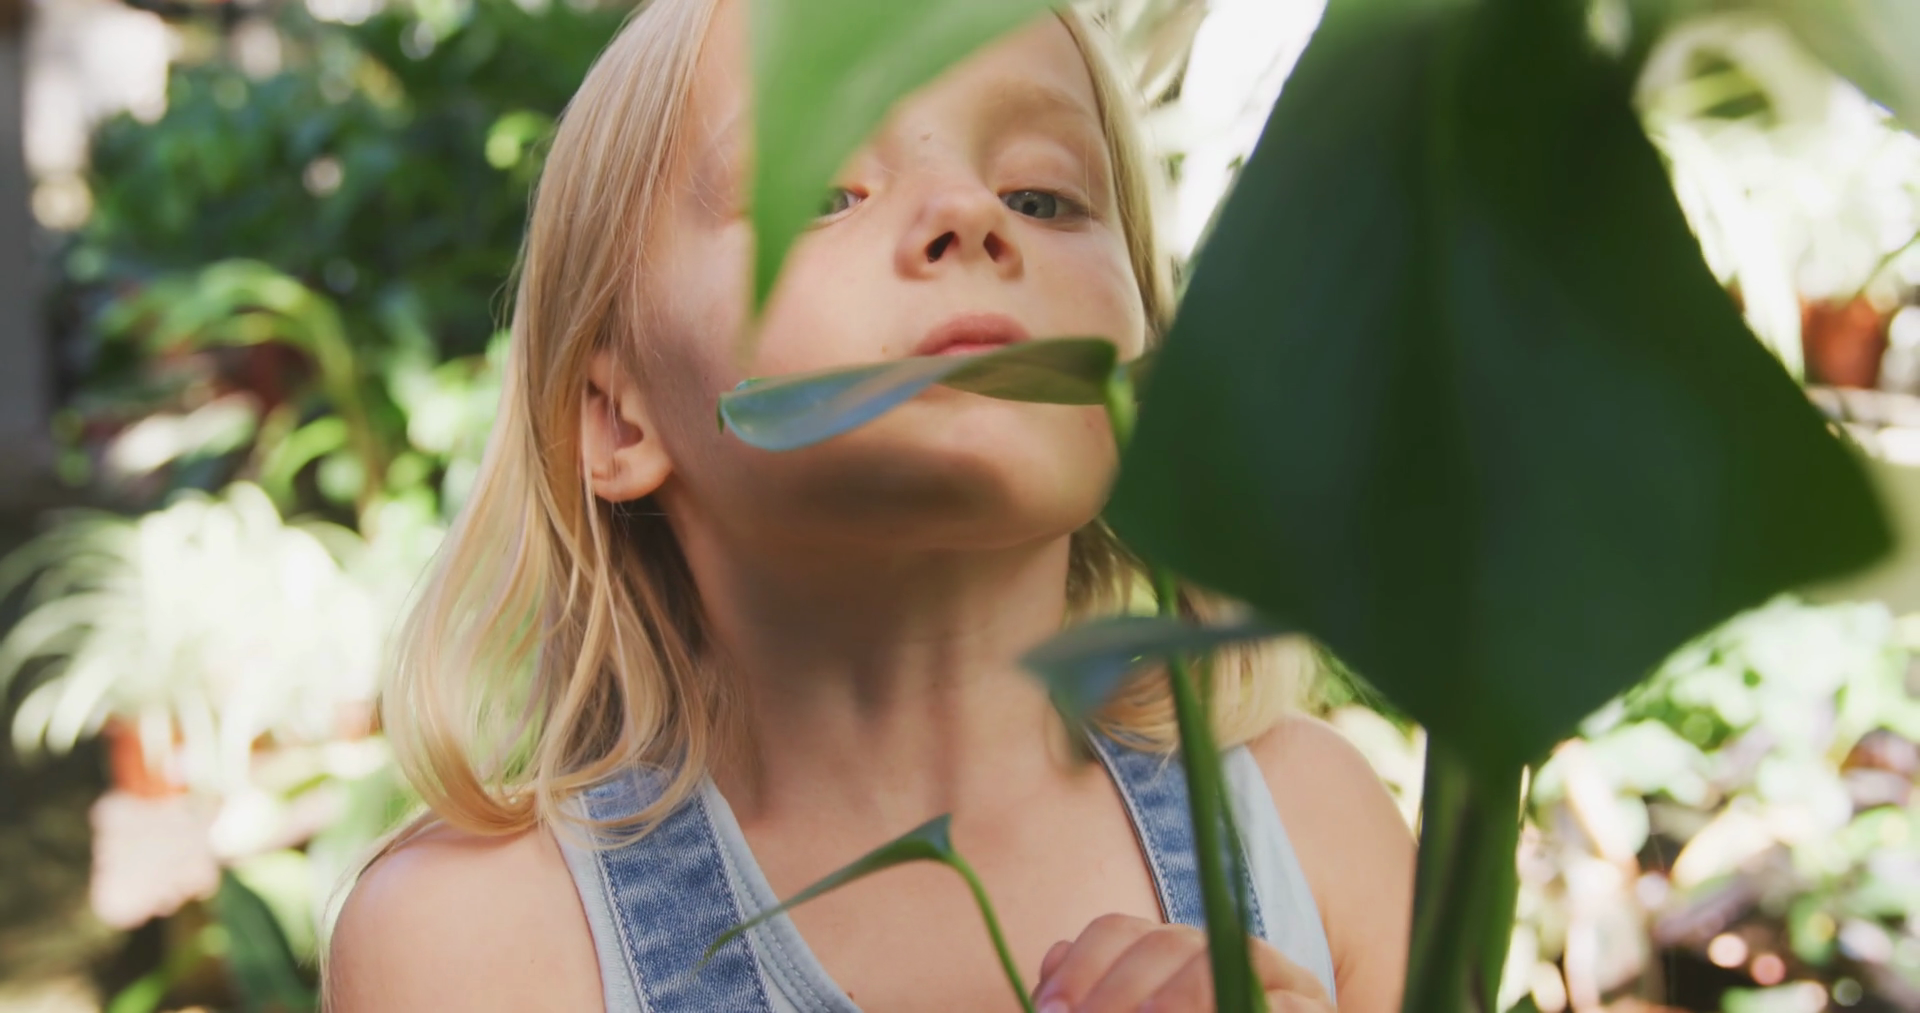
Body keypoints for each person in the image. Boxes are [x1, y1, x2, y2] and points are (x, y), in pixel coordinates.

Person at [326, 0, 1414, 1009]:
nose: (969, 214)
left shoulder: (1316, 828)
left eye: (1043, 197)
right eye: (822, 193)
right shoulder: (476, 943)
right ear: (617, 417)